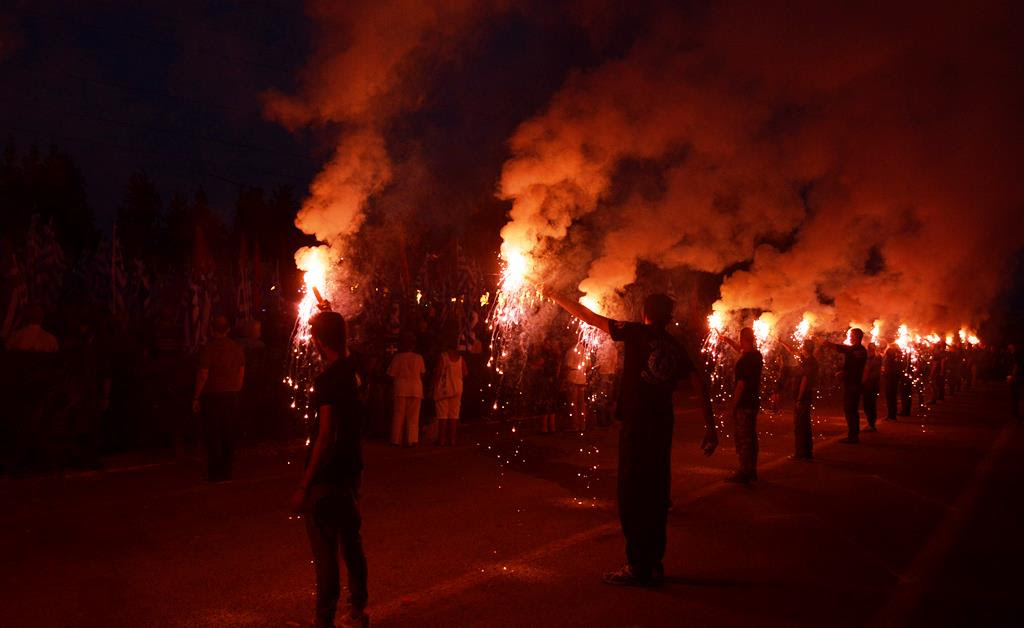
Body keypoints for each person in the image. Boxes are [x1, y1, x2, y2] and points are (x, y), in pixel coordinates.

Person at [543, 288, 718, 586]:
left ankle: (638, 566)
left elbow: (589, 317)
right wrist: (710, 426)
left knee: (633, 495)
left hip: (638, 427)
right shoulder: (676, 346)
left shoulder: (635, 332)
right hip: (663, 426)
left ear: (645, 314)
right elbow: (699, 382)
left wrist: (554, 295)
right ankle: (653, 560)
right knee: (658, 494)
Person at [291, 311, 369, 628]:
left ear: (319, 341)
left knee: (325, 551)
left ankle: (324, 619)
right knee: (351, 543)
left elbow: (324, 435)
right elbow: (345, 349)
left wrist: (303, 485)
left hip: (327, 474)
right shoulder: (355, 372)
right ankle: (357, 611)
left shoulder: (326, 381)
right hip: (351, 470)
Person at [192, 315, 245, 482]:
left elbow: (203, 375)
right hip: (231, 395)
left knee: (213, 434)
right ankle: (227, 470)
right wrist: (236, 389)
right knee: (228, 433)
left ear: (212, 330)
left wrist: (196, 397)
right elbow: (241, 372)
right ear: (228, 330)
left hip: (213, 396)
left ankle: (215, 473)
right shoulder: (237, 348)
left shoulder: (209, 349)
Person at [721, 328, 763, 482]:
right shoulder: (757, 356)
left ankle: (745, 471)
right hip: (753, 402)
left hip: (744, 404)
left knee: (743, 438)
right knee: (751, 436)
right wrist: (727, 340)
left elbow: (741, 385)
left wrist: (732, 407)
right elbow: (742, 350)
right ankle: (752, 469)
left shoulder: (744, 361)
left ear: (742, 338)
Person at [826, 329, 868, 444]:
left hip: (854, 383)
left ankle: (853, 436)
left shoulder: (859, 350)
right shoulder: (858, 349)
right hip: (853, 382)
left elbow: (847, 351)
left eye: (852, 335)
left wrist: (830, 344)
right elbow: (847, 351)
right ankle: (853, 435)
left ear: (857, 337)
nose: (849, 337)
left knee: (850, 410)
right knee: (851, 410)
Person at [779, 337, 817, 460]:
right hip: (804, 397)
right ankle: (806, 452)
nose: (800, 349)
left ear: (805, 349)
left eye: (802, 347)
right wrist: (783, 342)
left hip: (803, 397)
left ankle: (801, 453)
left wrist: (799, 398)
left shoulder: (809, 362)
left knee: (801, 426)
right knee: (804, 425)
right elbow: (793, 351)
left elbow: (805, 381)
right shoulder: (808, 360)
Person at [386, 332, 425, 447]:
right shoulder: (419, 358)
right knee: (413, 416)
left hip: (401, 388)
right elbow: (422, 374)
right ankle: (411, 440)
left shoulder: (398, 357)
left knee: (398, 415)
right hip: (416, 389)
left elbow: (391, 374)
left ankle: (396, 440)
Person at [432, 335, 467, 446]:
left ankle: (442, 440)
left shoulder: (444, 357)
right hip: (457, 388)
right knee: (454, 415)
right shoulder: (461, 358)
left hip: (444, 389)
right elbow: (465, 373)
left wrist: (432, 387)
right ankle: (452, 440)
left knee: (442, 415)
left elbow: (437, 373)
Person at [564, 342, 589, 432]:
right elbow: (589, 365)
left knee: (573, 403)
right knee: (581, 403)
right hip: (582, 378)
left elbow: (568, 366)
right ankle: (583, 425)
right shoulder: (585, 351)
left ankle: (575, 426)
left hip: (573, 378)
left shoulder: (571, 351)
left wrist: (564, 379)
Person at [593, 340, 618, 427]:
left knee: (602, 398)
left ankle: (602, 421)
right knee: (608, 398)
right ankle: (608, 420)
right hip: (610, 374)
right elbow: (615, 362)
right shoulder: (613, 348)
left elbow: (598, 362)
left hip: (604, 374)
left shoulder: (602, 347)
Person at [862, 343, 882, 432]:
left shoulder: (876, 358)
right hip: (867, 384)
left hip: (872, 384)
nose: (869, 350)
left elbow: (869, 370)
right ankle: (870, 424)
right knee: (867, 405)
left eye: (871, 349)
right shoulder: (869, 358)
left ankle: (871, 425)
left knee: (871, 405)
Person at [882, 342, 902, 421]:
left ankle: (891, 415)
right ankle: (891, 414)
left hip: (891, 377)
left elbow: (888, 364)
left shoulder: (891, 353)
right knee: (892, 396)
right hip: (893, 377)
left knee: (890, 396)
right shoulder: (897, 354)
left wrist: (884, 370)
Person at [1009, 343, 1022, 419]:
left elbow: (1016, 366)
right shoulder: (1015, 354)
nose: (1008, 346)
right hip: (1016, 377)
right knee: (1014, 395)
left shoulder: (1016, 354)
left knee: (1015, 394)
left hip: (1016, 377)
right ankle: (1014, 411)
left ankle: (1015, 412)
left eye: (1010, 345)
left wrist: (1013, 376)